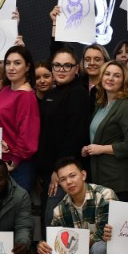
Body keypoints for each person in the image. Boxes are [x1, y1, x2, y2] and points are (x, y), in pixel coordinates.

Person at [39, 157, 117, 254]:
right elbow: (58, 247)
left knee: (100, 247)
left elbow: (106, 234)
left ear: (83, 175)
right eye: (63, 179)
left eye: (72, 175)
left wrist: (82, 243)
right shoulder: (59, 210)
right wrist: (45, 249)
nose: (69, 182)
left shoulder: (105, 195)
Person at [37, 47, 91, 204]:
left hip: (64, 172)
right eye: (57, 65)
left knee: (55, 215)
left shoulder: (78, 94)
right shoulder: (51, 93)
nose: (61, 70)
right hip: (46, 170)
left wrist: (58, 170)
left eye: (67, 66)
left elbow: (75, 137)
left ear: (76, 69)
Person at [84, 60, 128, 202]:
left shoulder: (126, 107)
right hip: (100, 177)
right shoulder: (101, 105)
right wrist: (89, 149)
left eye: (116, 75)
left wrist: (101, 149)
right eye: (107, 74)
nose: (110, 78)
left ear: (123, 81)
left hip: (118, 180)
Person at [0, 46, 40, 192]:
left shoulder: (26, 96)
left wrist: (14, 161)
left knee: (14, 205)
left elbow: (28, 135)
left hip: (17, 166)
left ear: (27, 67)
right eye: (8, 63)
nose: (11, 68)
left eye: (17, 63)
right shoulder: (5, 90)